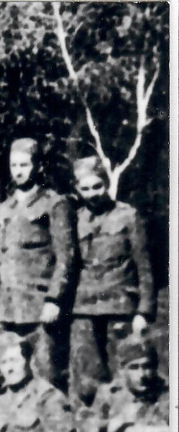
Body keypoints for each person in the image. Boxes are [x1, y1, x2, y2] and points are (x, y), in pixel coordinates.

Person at [68, 156, 155, 406]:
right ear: (76, 189)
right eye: (85, 189)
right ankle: (91, 427)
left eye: (97, 186)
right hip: (83, 309)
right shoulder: (75, 219)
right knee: (85, 376)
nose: (92, 194)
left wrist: (144, 311)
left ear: (106, 184)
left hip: (120, 306)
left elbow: (145, 266)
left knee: (124, 370)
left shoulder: (128, 215)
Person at [0, 138, 75, 389]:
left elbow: (66, 256)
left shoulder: (55, 203)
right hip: (9, 307)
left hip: (40, 304)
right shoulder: (5, 207)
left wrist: (54, 299)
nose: (18, 171)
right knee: (9, 374)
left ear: (38, 166)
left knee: (46, 374)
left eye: (24, 164)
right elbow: (1, 254)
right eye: (14, 165)